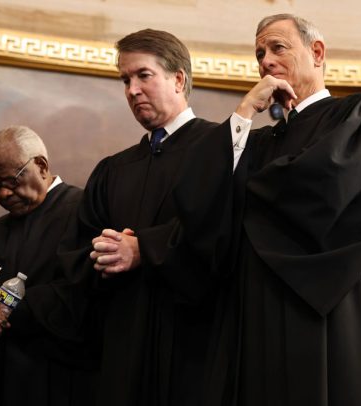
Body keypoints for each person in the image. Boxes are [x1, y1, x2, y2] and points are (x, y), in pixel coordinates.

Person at [174, 13, 361, 406]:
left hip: (330, 310)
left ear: (316, 52)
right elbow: (201, 197)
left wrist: (245, 189)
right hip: (259, 312)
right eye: (259, 54)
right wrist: (244, 111)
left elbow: (322, 185)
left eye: (278, 48)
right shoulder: (258, 139)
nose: (266, 60)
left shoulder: (357, 114)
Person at [63, 29, 218, 406]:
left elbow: (220, 234)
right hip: (124, 344)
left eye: (143, 75)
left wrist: (143, 249)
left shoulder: (222, 150)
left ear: (178, 79)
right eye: (125, 80)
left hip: (194, 344)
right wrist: (103, 254)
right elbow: (78, 255)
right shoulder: (114, 170)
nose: (132, 90)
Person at [0, 126, 91, 406]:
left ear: (41, 166)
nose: (3, 194)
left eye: (10, 181)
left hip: (61, 382)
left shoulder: (87, 213)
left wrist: (0, 307)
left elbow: (83, 295)